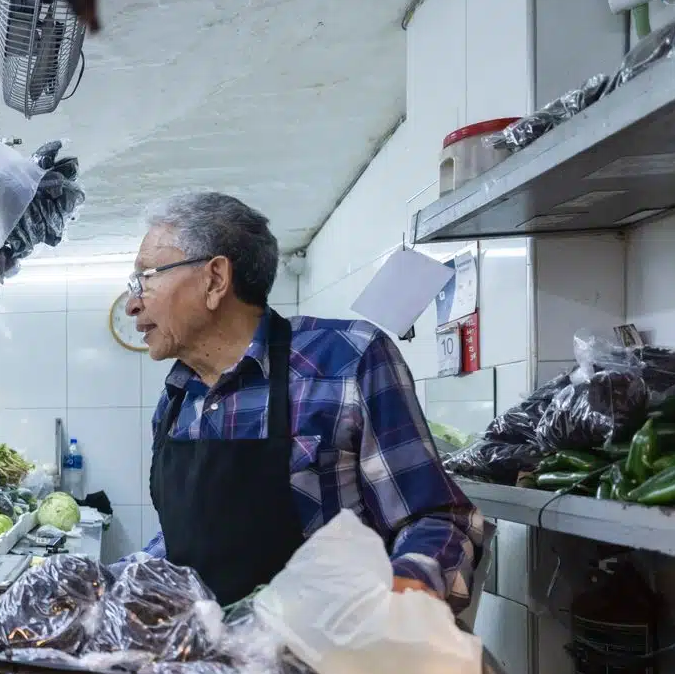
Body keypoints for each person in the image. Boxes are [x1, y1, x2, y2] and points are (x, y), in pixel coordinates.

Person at [126, 190, 484, 611]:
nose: (132, 304)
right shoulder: (178, 398)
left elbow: (437, 519)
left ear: (215, 279)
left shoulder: (346, 360)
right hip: (208, 663)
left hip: (326, 660)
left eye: (145, 278)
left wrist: (405, 591)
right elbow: (188, 542)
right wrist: (114, 583)